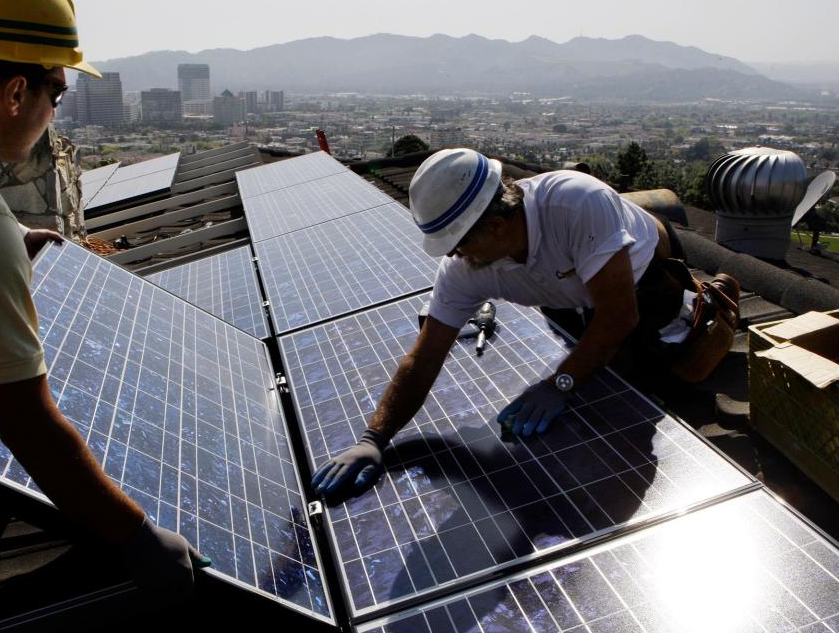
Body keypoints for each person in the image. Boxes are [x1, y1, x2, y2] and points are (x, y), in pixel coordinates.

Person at [0, 0, 208, 629]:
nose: (56, 111)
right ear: (13, 92)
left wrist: (6, 242)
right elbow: (25, 421)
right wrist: (136, 536)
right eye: (57, 94)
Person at [312, 148, 738, 500]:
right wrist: (374, 437)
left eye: (460, 245)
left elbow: (619, 315)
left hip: (643, 281)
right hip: (567, 293)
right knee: (580, 364)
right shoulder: (467, 266)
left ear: (496, 226)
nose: (456, 257)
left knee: (636, 391)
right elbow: (423, 358)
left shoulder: (575, 204)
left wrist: (560, 384)